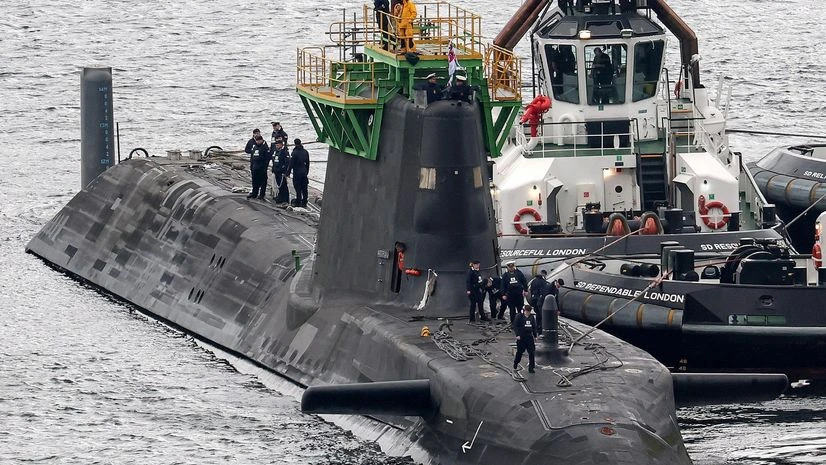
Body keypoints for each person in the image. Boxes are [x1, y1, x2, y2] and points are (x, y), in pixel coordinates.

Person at [513, 304, 538, 373]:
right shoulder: (519, 316)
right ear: (524, 311)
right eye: (527, 311)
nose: (528, 313)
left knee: (531, 353)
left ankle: (531, 367)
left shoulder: (531, 317)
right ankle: (516, 362)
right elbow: (515, 326)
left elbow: (534, 327)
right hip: (522, 337)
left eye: (529, 312)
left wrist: (535, 336)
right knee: (520, 352)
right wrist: (517, 335)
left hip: (529, 337)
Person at [246, 134, 271, 200]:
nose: (258, 142)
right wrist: (251, 166)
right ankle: (254, 193)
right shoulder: (255, 147)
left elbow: (267, 158)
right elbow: (252, 157)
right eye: (257, 141)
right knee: (255, 181)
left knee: (263, 182)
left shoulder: (265, 147)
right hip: (255, 167)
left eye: (259, 140)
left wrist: (265, 167)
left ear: (261, 140)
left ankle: (262, 195)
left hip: (262, 168)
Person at [288, 138, 310, 207]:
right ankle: (304, 202)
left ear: (295, 144)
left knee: (298, 188)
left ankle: (298, 201)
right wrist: (306, 172)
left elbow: (291, 164)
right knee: (304, 188)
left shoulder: (294, 153)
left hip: (297, 173)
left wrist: (287, 173)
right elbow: (308, 163)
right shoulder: (305, 152)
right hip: (304, 173)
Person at [271, 139, 291, 205]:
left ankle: (285, 199)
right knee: (279, 185)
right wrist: (273, 169)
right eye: (276, 145)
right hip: (276, 171)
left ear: (281, 145)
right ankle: (280, 197)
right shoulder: (276, 151)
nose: (276, 146)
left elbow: (287, 162)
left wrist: (284, 171)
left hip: (281, 172)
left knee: (283, 185)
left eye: (277, 145)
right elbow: (274, 161)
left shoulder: (284, 151)